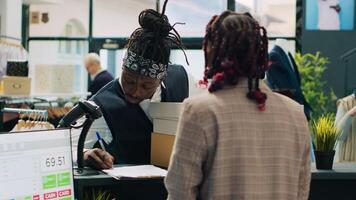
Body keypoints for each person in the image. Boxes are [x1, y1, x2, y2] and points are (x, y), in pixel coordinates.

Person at [165, 11, 311, 200]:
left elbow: (180, 193)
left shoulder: (200, 111)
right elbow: (301, 193)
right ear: (260, 52)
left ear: (211, 48)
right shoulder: (296, 115)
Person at [83, 0, 189, 169]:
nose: (135, 91)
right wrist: (85, 154)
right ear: (122, 68)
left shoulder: (183, 79)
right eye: (129, 81)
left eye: (146, 86)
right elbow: (73, 148)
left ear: (162, 78)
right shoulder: (101, 105)